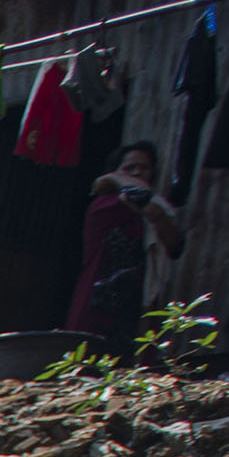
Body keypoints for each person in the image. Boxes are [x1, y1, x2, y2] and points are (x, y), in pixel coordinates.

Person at [71, 143, 187, 350]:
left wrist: (158, 214)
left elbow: (175, 245)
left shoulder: (154, 210)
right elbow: (140, 197)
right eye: (129, 168)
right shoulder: (104, 205)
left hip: (137, 301)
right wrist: (112, 180)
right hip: (101, 300)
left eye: (144, 167)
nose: (137, 172)